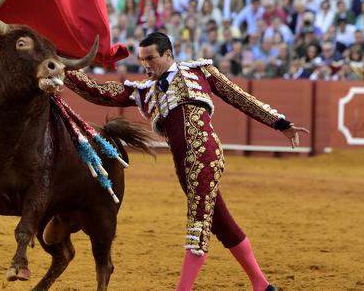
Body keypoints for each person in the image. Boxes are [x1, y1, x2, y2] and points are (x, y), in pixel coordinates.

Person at [64, 32, 309, 291]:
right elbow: (99, 92)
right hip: (183, 164)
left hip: (204, 154)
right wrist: (61, 68)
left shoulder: (199, 72)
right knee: (221, 224)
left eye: (151, 58)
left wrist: (280, 123)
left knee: (198, 227)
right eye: (142, 59)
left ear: (168, 54)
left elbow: (240, 97)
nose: (146, 65)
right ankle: (262, 285)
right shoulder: (143, 92)